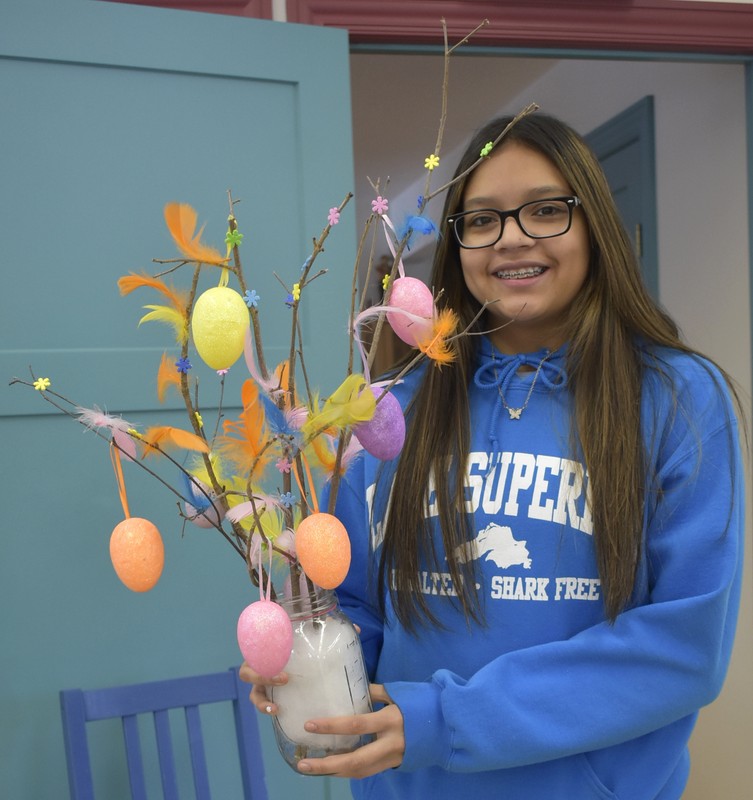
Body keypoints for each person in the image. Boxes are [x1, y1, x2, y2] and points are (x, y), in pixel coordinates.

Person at [241, 112, 746, 799]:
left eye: (544, 210)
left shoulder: (677, 399)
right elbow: (354, 601)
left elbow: (682, 648)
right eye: (481, 220)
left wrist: (448, 718)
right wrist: (307, 655)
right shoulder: (392, 409)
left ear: (593, 223)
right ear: (456, 245)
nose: (510, 238)